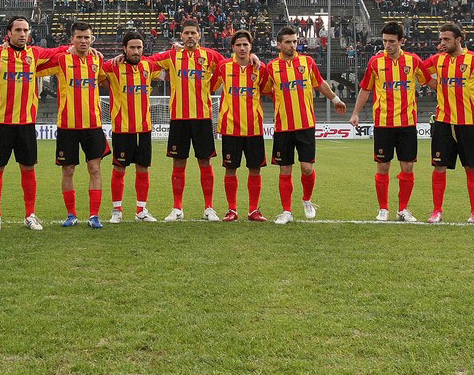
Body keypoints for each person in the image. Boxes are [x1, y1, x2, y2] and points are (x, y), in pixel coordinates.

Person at [0, 15, 69, 232]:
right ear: (9, 33)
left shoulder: (35, 54)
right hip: (1, 122)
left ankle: (30, 215)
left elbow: (57, 52)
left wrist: (80, 45)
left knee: (28, 168)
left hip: (26, 123)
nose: (23, 34)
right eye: (18, 30)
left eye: (26, 30)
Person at [421, 23, 474, 223]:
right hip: (443, 122)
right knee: (439, 167)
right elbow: (418, 72)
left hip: (468, 122)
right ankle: (437, 211)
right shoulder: (437, 60)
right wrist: (436, 85)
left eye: (446, 39)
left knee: (471, 166)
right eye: (441, 39)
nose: (442, 43)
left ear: (458, 39)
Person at [266, 26, 346, 224]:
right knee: (285, 170)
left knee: (307, 168)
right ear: (279, 44)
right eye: (288, 42)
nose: (293, 45)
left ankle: (307, 200)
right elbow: (266, 89)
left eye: (294, 41)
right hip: (283, 127)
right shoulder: (271, 67)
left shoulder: (307, 62)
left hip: (305, 124)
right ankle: (286, 211)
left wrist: (336, 100)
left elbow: (320, 84)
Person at [348, 22, 427, 222]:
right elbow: (365, 89)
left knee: (407, 167)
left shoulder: (413, 61)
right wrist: (355, 113)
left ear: (402, 41)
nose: (387, 45)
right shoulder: (375, 63)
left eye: (392, 41)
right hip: (383, 123)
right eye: (384, 41)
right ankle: (383, 209)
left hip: (407, 123)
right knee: (383, 167)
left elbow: (428, 81)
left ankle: (403, 209)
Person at [147, 20, 224, 222]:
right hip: (179, 118)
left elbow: (228, 66)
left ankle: (209, 208)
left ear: (199, 35)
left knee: (204, 162)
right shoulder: (173, 55)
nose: (190, 36)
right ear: (181, 36)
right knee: (178, 162)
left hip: (203, 118)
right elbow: (148, 61)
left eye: (193, 33)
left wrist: (213, 84)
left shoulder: (210, 56)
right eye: (186, 33)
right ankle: (177, 208)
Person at [36, 22, 111, 228]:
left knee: (94, 169)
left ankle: (94, 216)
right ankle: (71, 214)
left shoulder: (98, 58)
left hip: (93, 125)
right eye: (79, 37)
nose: (83, 41)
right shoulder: (61, 60)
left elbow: (105, 78)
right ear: (72, 39)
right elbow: (35, 67)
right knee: (67, 170)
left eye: (87, 37)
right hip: (67, 126)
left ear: (92, 39)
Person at [101, 31, 163, 223]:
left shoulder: (149, 66)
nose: (136, 51)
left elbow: (168, 68)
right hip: (122, 128)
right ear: (124, 49)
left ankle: (141, 210)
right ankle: (117, 210)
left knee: (143, 168)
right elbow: (94, 68)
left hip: (144, 128)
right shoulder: (113, 67)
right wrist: (112, 59)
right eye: (132, 48)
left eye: (139, 47)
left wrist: (177, 48)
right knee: (119, 169)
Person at [211, 30, 271, 222]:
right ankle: (232, 210)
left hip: (254, 127)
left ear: (251, 47)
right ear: (233, 48)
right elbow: (211, 86)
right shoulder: (223, 67)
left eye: (246, 45)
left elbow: (268, 90)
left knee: (255, 169)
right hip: (230, 128)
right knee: (231, 169)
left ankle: (254, 210)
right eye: (239, 45)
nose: (242, 48)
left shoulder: (260, 69)